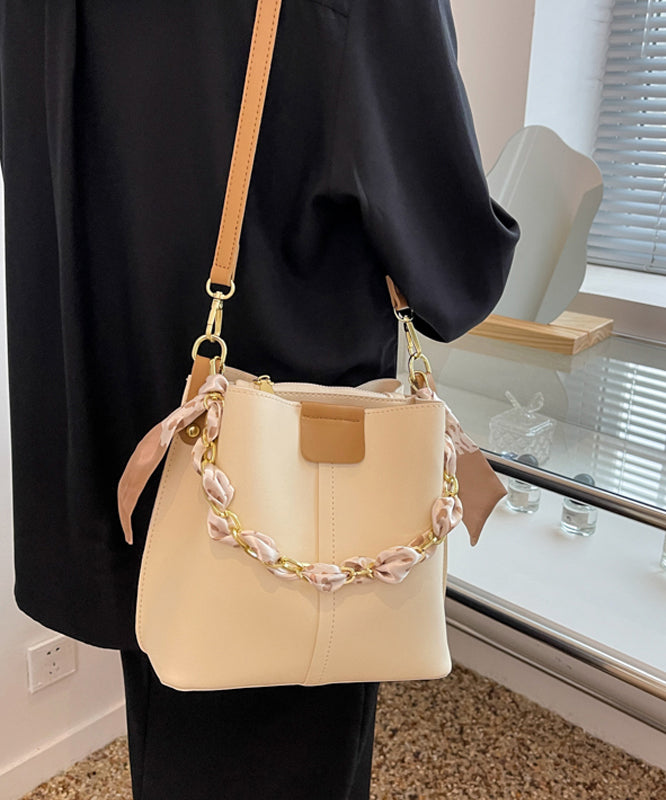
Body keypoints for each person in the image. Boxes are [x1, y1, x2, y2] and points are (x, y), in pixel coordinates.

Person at [0, 1, 519, 798]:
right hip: (295, 473)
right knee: (287, 730)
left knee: (172, 701)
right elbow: (451, 265)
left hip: (107, 433)